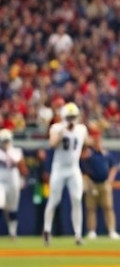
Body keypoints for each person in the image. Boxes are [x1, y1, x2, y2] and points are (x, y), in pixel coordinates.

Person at [43, 103, 88, 246]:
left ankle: (78, 234)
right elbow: (52, 143)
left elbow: (84, 144)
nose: (71, 120)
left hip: (74, 168)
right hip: (59, 168)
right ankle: (47, 230)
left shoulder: (81, 129)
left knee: (77, 199)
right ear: (63, 117)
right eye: (69, 117)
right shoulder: (56, 128)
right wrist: (63, 132)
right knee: (53, 200)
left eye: (73, 117)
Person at [82, 135, 120, 240]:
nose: (98, 145)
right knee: (91, 208)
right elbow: (83, 166)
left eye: (99, 142)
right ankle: (91, 231)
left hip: (104, 183)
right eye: (96, 143)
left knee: (108, 207)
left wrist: (110, 180)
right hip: (92, 184)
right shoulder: (89, 154)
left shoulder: (107, 155)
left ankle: (112, 230)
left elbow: (113, 167)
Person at [0, 129, 25, 239]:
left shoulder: (16, 151)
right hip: (1, 180)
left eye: (7, 141)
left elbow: (23, 168)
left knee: (12, 208)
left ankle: (13, 232)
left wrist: (23, 178)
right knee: (0, 203)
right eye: (3, 141)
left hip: (13, 180)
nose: (5, 143)